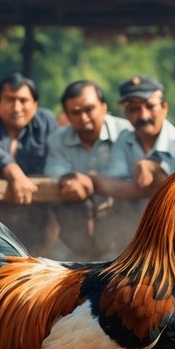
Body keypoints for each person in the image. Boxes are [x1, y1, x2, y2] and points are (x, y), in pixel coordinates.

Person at [44, 80, 133, 261]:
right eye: (75, 112)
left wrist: (88, 181)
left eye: (89, 109)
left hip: (126, 232)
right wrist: (69, 180)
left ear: (104, 107)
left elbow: (126, 174)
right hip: (75, 233)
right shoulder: (57, 139)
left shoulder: (127, 133)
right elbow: (54, 169)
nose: (83, 118)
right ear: (67, 116)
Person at [0, 72, 56, 254]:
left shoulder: (47, 123)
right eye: (10, 100)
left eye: (23, 100)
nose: (17, 107)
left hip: (40, 219)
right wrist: (14, 172)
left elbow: (61, 155)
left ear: (35, 105)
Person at [101, 75, 175, 237]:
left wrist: (151, 169)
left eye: (150, 106)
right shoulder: (124, 140)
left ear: (164, 107)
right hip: (132, 234)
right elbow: (114, 183)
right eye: (134, 109)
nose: (143, 115)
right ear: (126, 113)